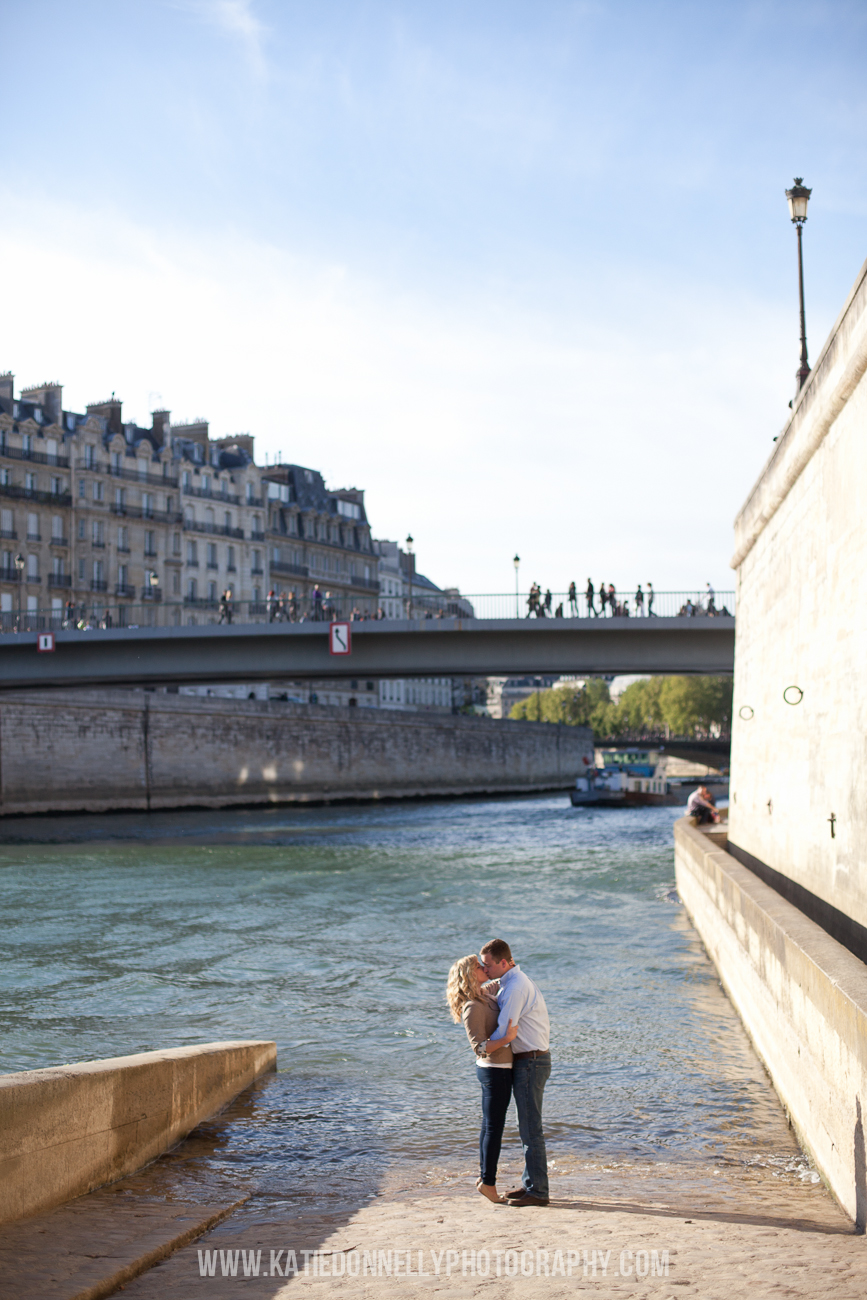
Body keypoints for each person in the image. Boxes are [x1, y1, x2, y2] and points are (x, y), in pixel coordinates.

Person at [480, 938, 551, 1207]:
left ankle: (538, 1192)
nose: (485, 970)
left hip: (530, 1061)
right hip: (531, 1060)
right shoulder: (512, 983)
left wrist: (483, 1047)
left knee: (531, 1129)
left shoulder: (515, 988)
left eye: (487, 965)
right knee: (528, 1127)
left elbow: (504, 1032)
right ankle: (531, 1185)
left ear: (503, 962)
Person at [447, 954, 517, 1205]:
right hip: (493, 1070)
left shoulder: (484, 995)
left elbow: (504, 980)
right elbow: (479, 1047)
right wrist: (507, 1038)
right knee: (493, 1128)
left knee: (490, 1127)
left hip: (501, 1068)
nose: (484, 968)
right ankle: (488, 1183)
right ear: (469, 974)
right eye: (479, 966)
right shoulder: (472, 1006)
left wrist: (507, 964)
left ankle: (484, 1179)